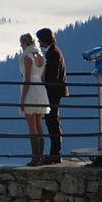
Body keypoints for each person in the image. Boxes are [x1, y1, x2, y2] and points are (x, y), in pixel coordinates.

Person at [38, 27, 67, 164]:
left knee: (52, 121)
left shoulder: (53, 53)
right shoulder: (54, 51)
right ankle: (55, 152)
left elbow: (52, 75)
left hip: (53, 91)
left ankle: (56, 153)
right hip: (54, 91)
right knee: (52, 121)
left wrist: (41, 77)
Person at [18, 34, 48, 166]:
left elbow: (27, 80)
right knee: (39, 123)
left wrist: (23, 99)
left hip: (31, 91)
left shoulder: (28, 58)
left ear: (25, 43)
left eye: (21, 43)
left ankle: (36, 157)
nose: (20, 46)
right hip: (41, 90)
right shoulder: (41, 56)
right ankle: (40, 156)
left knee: (32, 126)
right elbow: (43, 77)